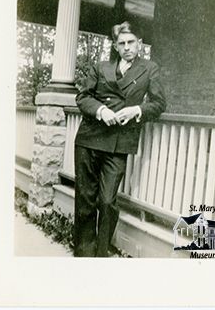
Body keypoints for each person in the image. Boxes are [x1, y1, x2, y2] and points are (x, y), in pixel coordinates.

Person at [74, 21, 166, 257]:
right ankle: (84, 255)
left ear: (140, 44)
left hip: (119, 143)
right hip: (89, 138)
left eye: (131, 42)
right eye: (122, 43)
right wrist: (102, 111)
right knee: (85, 199)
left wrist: (136, 110)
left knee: (106, 201)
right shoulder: (100, 67)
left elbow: (159, 104)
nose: (127, 47)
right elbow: (83, 97)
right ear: (115, 46)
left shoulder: (150, 68)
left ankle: (101, 253)